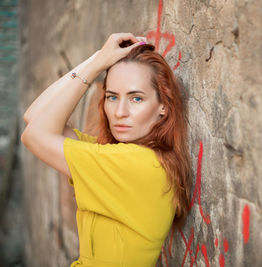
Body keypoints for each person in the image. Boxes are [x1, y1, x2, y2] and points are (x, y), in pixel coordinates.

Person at [21, 32, 192, 266]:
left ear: (163, 106)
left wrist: (97, 66)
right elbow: (34, 117)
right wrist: (98, 59)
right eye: (112, 97)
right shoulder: (117, 156)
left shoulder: (138, 165)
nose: (120, 111)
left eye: (136, 99)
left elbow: (35, 135)